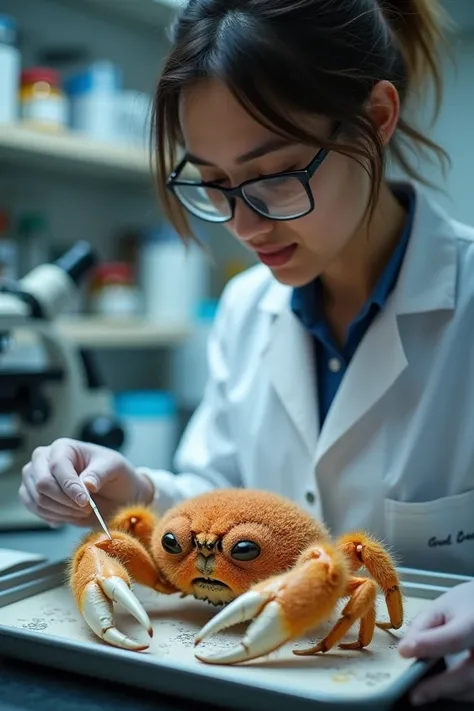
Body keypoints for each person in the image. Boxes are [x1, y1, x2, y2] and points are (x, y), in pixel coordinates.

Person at [20, 0, 473, 703]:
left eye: (275, 173)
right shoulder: (243, 309)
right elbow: (220, 495)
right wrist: (135, 491)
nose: (243, 222)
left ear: (377, 119)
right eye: (212, 181)